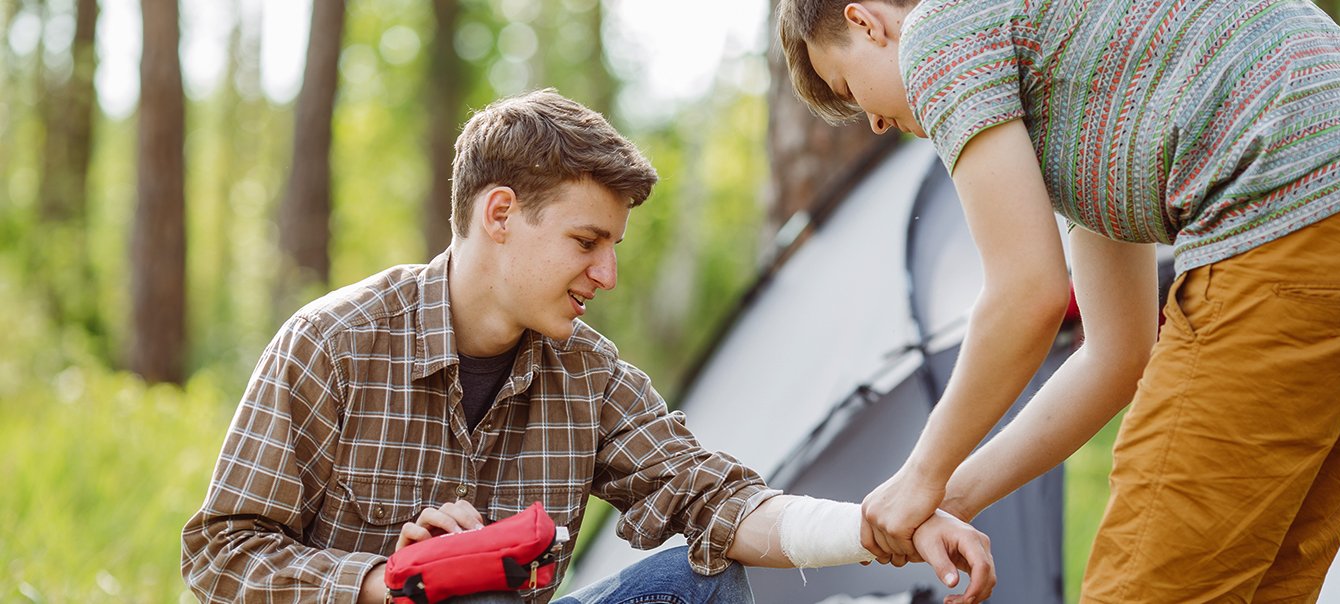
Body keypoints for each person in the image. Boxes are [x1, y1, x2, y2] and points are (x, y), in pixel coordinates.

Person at [180, 89, 995, 604]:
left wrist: (880, 525)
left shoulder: (589, 375)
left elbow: (716, 499)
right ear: (499, 214)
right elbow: (218, 555)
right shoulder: (333, 343)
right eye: (585, 241)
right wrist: (379, 583)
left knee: (699, 586)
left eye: (613, 246)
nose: (605, 273)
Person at [777, 0, 1340, 600]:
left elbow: (1026, 295)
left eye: (847, 86)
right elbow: (1116, 357)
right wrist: (947, 497)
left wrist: (918, 472)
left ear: (866, 21)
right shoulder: (1083, 80)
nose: (872, 121)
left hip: (1288, 217)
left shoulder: (937, 29)